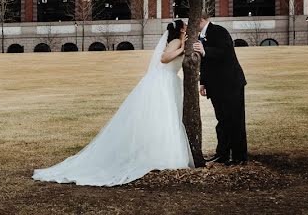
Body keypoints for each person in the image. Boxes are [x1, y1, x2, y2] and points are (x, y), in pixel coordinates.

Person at [32, 20, 194, 186]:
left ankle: (164, 154)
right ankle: (162, 157)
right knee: (164, 117)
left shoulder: (181, 41)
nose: (188, 27)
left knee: (167, 119)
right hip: (163, 82)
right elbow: (164, 58)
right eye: (186, 25)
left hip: (170, 81)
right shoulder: (175, 42)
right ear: (181, 29)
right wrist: (182, 48)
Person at [193, 14, 248, 164]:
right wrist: (203, 83)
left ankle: (239, 157)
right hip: (216, 86)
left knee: (235, 120)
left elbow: (225, 51)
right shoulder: (200, 37)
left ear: (201, 19)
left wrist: (205, 51)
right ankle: (222, 154)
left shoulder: (218, 31)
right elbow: (205, 63)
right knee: (222, 120)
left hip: (231, 84)